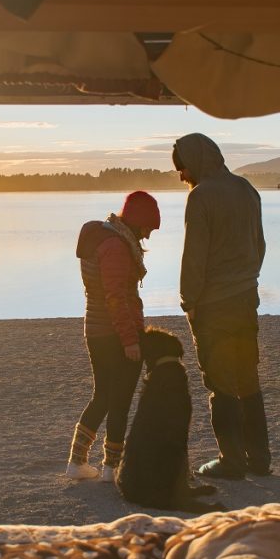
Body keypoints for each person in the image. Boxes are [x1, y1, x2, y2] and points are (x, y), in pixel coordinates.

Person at [173, 133, 271, 480]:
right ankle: (259, 458)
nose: (181, 176)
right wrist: (249, 279)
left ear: (195, 163)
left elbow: (194, 255)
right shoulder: (247, 189)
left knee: (220, 381)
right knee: (248, 377)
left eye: (181, 168)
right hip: (246, 299)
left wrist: (189, 300)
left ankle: (231, 460)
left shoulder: (201, 198)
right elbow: (259, 245)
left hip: (213, 304)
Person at [65, 190, 160, 481]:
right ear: (136, 222)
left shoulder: (103, 239)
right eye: (147, 228)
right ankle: (111, 468)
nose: (148, 236)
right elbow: (116, 296)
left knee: (103, 396)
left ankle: (77, 463)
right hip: (115, 332)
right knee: (119, 399)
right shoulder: (117, 247)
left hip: (96, 328)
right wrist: (130, 339)